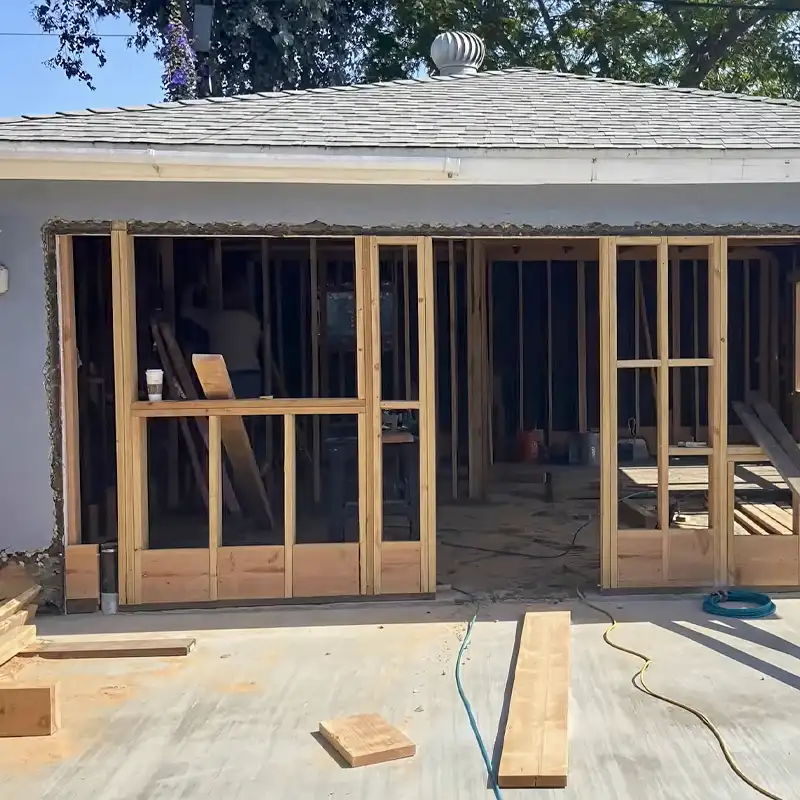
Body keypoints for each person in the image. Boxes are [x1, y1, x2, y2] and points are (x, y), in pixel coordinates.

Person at [180, 274, 263, 398]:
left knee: (222, 415)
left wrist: (190, 288)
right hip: (252, 376)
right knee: (248, 415)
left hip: (225, 377)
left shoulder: (216, 319)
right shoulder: (254, 321)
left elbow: (185, 310)